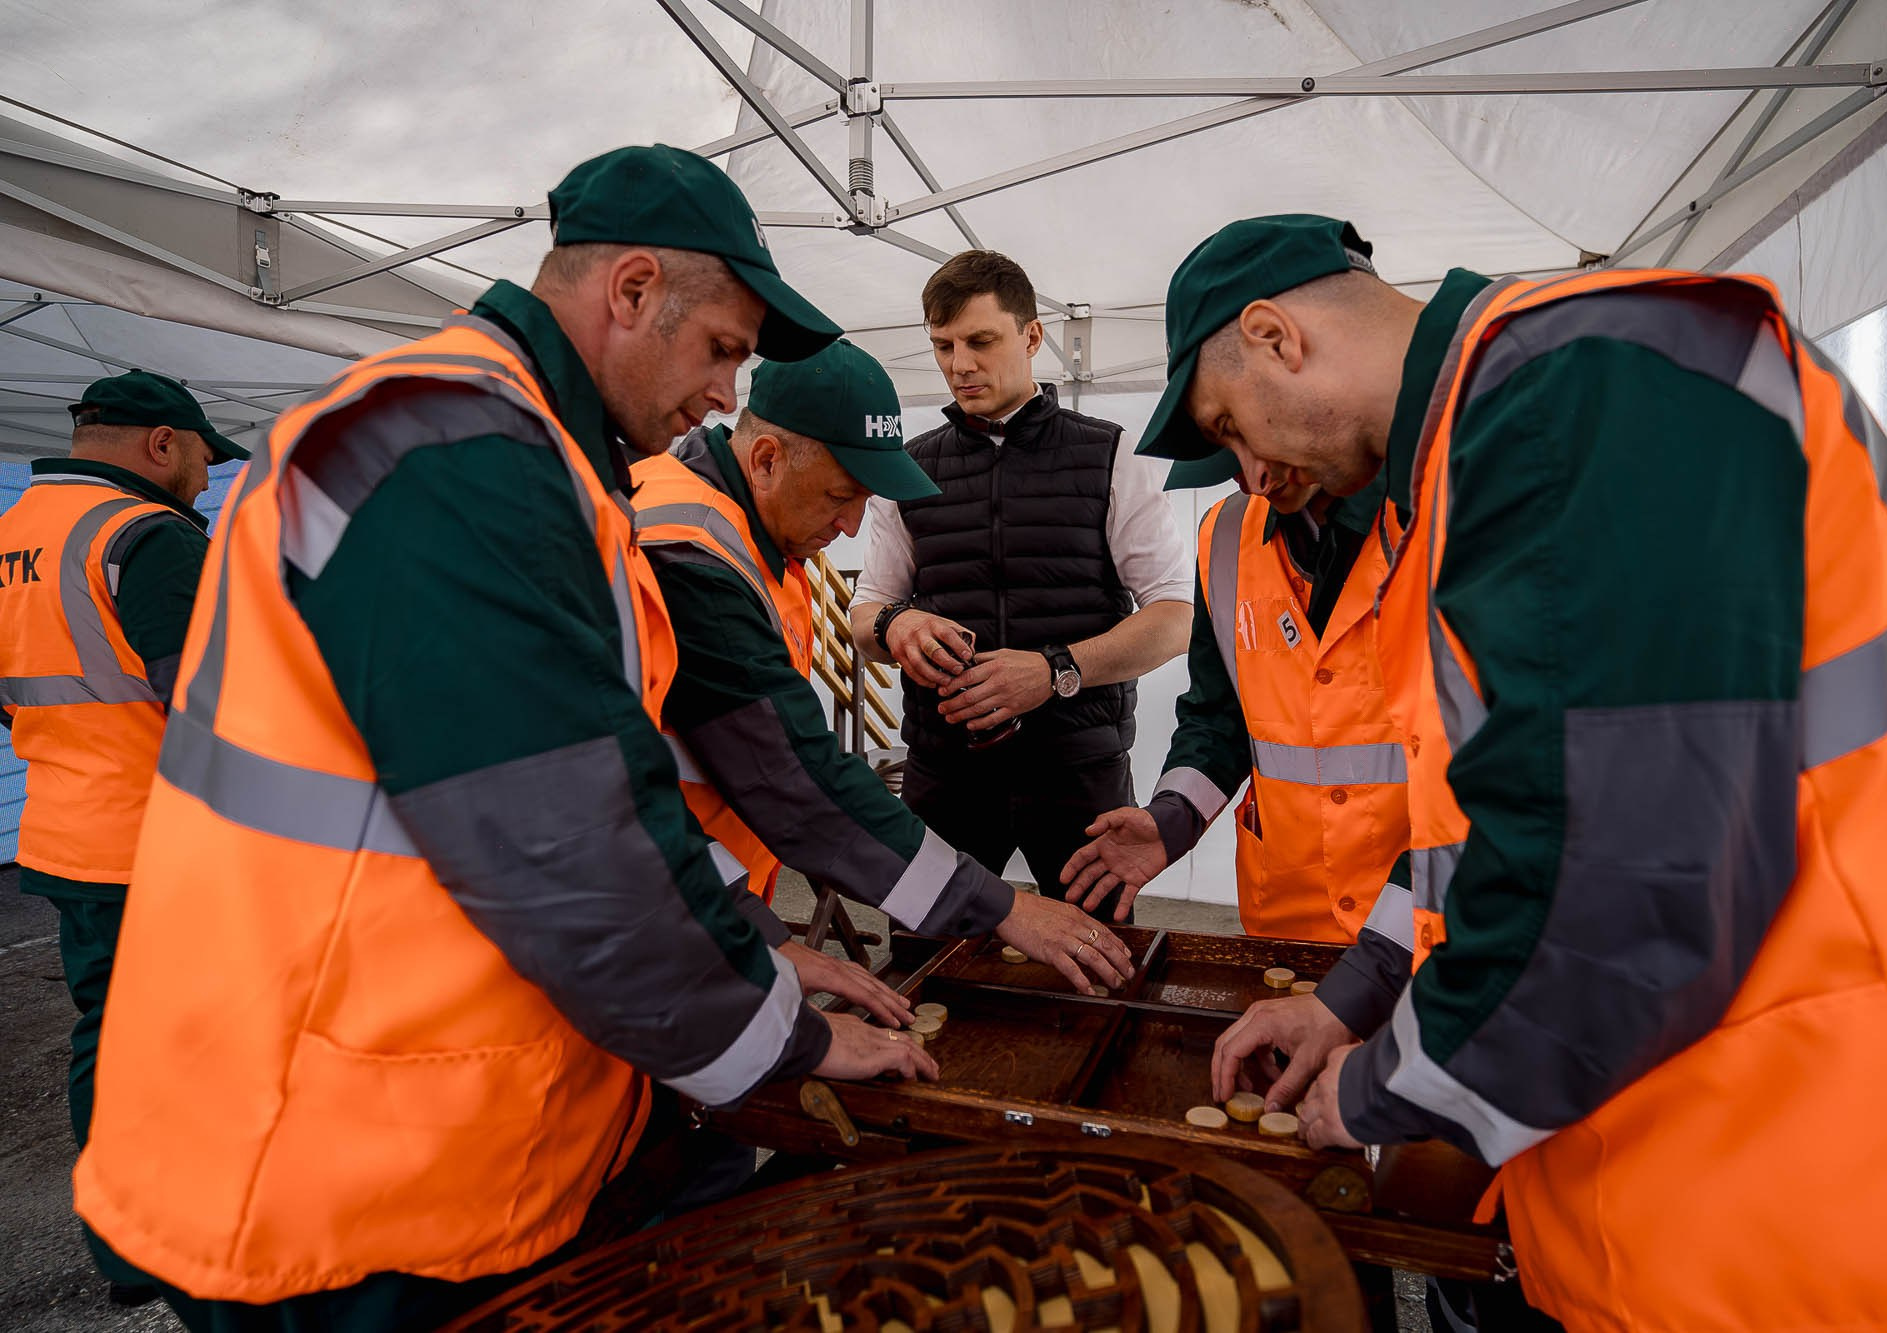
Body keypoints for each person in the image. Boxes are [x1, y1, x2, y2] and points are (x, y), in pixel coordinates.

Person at [72, 145, 952, 1333]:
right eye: (720, 350)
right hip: (331, 1164)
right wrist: (776, 1034)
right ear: (631, 290)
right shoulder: (450, 447)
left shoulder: (542, 462)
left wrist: (753, 943)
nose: (725, 395)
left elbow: (615, 780)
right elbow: (564, 834)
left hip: (406, 1118)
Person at [1139, 215, 1887, 1332]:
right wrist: (1345, 1004)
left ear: (1274, 337)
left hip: (1821, 1213)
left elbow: (1613, 880)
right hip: (1675, 1186)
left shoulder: (1574, 392)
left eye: (1231, 425)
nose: (1252, 475)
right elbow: (1488, 832)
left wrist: (1377, 1086)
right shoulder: (1478, 457)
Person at [629, 338, 1135, 996]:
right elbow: (796, 783)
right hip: (647, 925)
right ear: (766, 459)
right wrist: (1001, 907)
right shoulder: (692, 555)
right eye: (840, 495)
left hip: (690, 898)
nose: (850, 526)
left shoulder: (744, 526)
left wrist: (754, 932)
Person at [0, 370, 246, 1305]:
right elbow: (220, 706)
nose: (205, 479)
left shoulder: (13, 536)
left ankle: (128, 1249)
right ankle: (193, 1232)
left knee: (106, 1038)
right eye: (202, 458)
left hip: (63, 839)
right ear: (161, 443)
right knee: (201, 1044)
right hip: (161, 845)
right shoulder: (146, 534)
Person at [851, 250, 1193, 917]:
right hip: (945, 771)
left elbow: (1176, 615)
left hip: (1077, 770)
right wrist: (897, 624)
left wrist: (1054, 670)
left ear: (1032, 336)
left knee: (1095, 951)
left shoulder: (1111, 454)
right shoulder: (907, 470)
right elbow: (865, 618)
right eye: (943, 346)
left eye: (980, 341)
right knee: (929, 950)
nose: (960, 364)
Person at [1058, 443, 1412, 945]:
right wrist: (1174, 817)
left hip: (1425, 917)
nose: (1250, 479)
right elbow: (1217, 715)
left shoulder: (1436, 522)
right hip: (1288, 911)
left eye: (1252, 440)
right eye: (1226, 450)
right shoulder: (1226, 533)